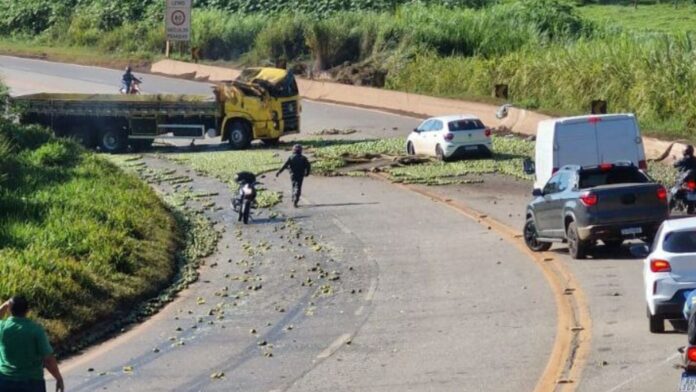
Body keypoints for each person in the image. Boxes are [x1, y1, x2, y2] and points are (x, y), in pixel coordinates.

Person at [0, 296, 64, 392]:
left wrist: (5, 305)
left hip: (6, 381)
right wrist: (58, 378)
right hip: (32, 383)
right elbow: (48, 360)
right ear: (27, 311)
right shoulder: (35, 330)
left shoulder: (3, 328)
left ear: (9, 310)